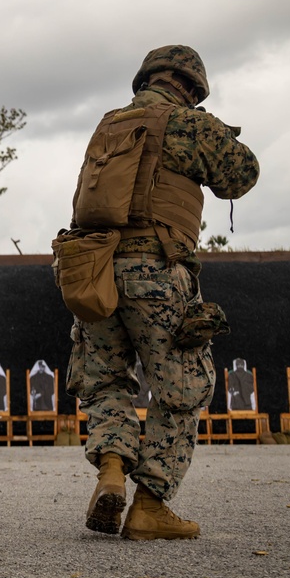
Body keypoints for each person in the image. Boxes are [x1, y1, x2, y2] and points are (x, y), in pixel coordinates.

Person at [63, 45, 259, 540]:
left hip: (95, 268)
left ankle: (111, 471)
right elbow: (242, 175)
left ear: (145, 78)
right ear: (192, 88)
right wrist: (218, 131)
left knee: (106, 380)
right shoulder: (189, 123)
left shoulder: (109, 123)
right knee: (181, 386)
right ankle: (150, 504)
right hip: (157, 270)